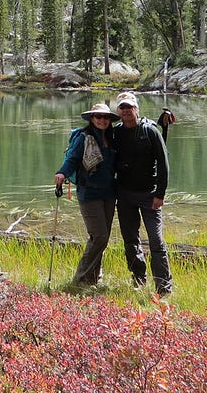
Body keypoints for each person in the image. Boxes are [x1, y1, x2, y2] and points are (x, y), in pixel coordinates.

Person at [111, 91, 173, 296]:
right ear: (118, 111)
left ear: (136, 109)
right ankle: (138, 279)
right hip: (125, 194)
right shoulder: (116, 133)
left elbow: (163, 164)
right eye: (122, 108)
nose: (126, 111)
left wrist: (160, 194)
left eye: (130, 107)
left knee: (156, 240)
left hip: (149, 195)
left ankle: (164, 287)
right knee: (130, 240)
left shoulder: (150, 131)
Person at [54, 102, 117, 290]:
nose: (102, 120)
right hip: (89, 193)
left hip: (109, 193)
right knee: (99, 236)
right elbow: (72, 159)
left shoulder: (112, 138)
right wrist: (62, 173)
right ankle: (80, 279)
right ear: (92, 118)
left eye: (105, 117)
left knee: (101, 238)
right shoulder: (84, 137)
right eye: (98, 117)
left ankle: (94, 278)